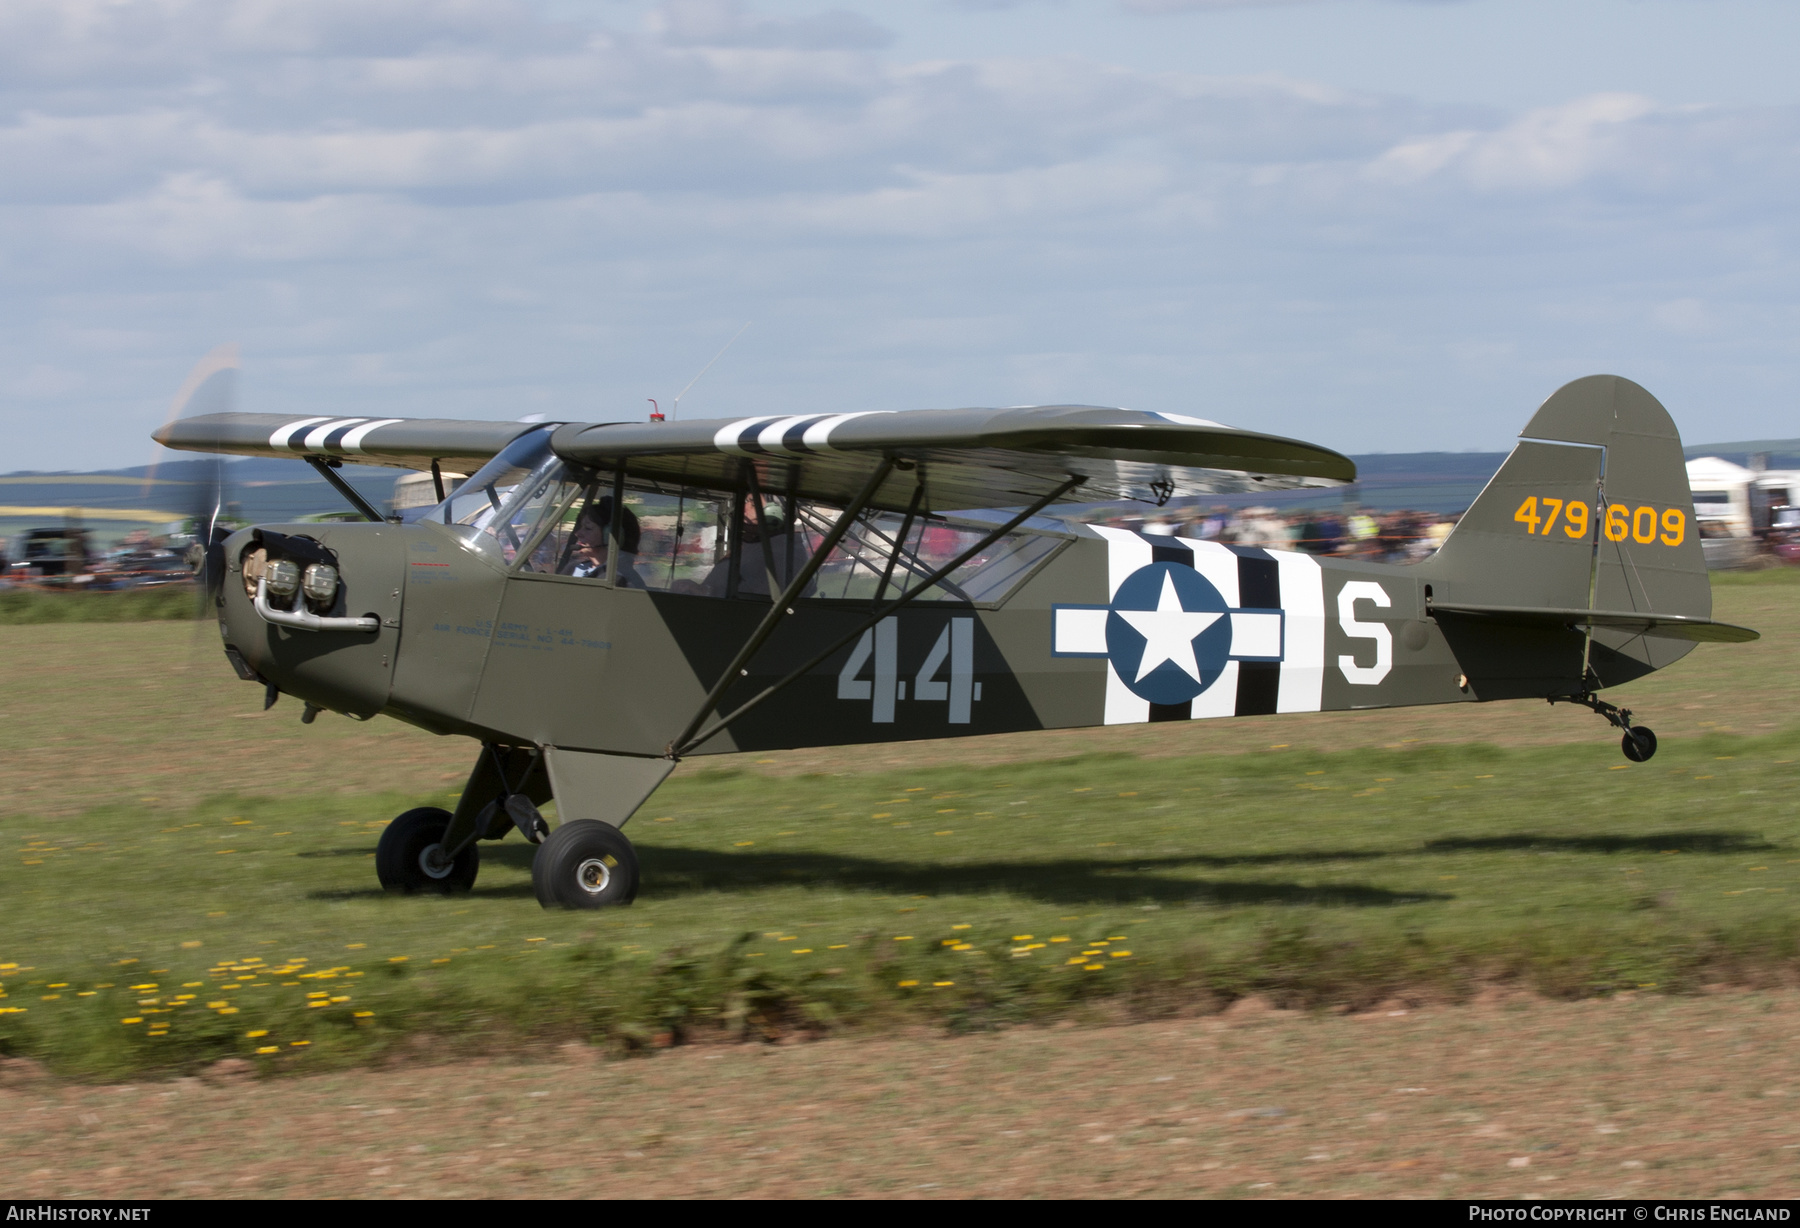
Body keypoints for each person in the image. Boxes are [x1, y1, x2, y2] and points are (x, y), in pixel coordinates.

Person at [559, 498, 644, 587]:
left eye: (588, 528)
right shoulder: (574, 567)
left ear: (610, 537)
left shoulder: (618, 581)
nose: (578, 534)